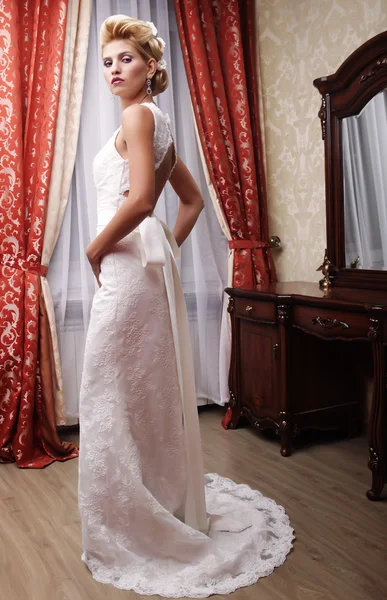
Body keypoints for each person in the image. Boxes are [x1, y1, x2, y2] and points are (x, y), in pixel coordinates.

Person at [78, 14, 294, 598]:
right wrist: (163, 253)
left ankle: (131, 521)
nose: (113, 70)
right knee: (138, 392)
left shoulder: (137, 115)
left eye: (125, 59)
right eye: (107, 61)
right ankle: (153, 502)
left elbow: (145, 198)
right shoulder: (158, 119)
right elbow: (191, 203)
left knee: (110, 391)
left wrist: (96, 248)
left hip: (124, 270)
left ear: (151, 66)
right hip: (139, 271)